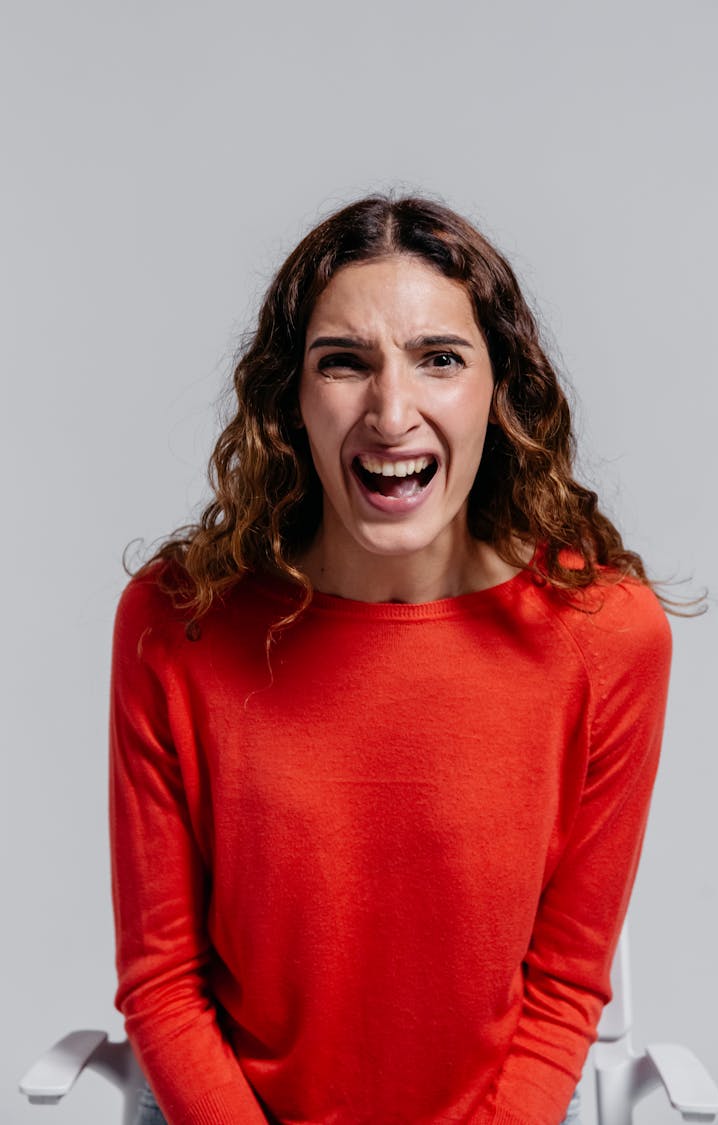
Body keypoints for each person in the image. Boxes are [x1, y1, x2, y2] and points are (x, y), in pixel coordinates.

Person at [109, 195, 674, 1125]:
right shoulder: (178, 623)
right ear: (292, 394)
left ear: (499, 391)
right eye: (345, 363)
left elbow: (566, 986)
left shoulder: (606, 635)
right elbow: (163, 985)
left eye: (439, 360)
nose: (391, 411)